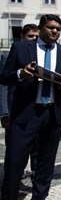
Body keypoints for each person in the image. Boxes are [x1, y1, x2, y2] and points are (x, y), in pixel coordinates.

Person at [0, 14, 61, 200]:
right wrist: (20, 73)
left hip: (53, 114)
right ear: (41, 28)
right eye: (51, 27)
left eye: (58, 29)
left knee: (45, 163)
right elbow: (5, 77)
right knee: (15, 162)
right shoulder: (21, 47)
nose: (55, 31)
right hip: (26, 114)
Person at [0, 24, 40, 180]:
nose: (34, 40)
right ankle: (13, 176)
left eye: (37, 37)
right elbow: (3, 85)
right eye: (31, 36)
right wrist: (4, 112)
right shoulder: (7, 56)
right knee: (15, 148)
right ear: (22, 37)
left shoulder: (40, 56)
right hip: (15, 110)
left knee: (37, 147)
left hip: (35, 110)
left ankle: (36, 174)